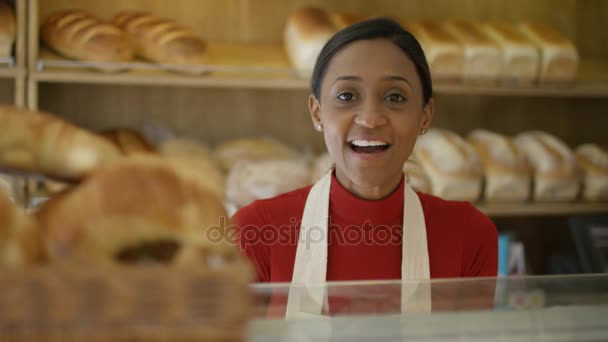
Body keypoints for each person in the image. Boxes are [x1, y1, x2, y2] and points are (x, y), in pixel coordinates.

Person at [232, 18, 498, 288]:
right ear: (317, 112)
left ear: (425, 116)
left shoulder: (470, 236)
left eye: (395, 97)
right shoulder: (254, 233)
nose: (370, 119)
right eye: (347, 96)